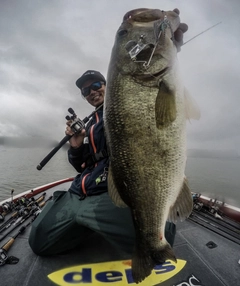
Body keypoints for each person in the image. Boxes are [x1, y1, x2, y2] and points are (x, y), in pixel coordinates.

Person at [28, 12, 188, 256]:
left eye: (95, 86)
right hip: (79, 192)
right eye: (85, 91)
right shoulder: (89, 121)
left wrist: (171, 46)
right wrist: (76, 145)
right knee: (38, 241)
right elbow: (81, 164)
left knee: (153, 232)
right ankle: (86, 223)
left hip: (110, 194)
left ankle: (141, 228)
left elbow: (143, 112)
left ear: (107, 85)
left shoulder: (119, 107)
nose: (91, 92)